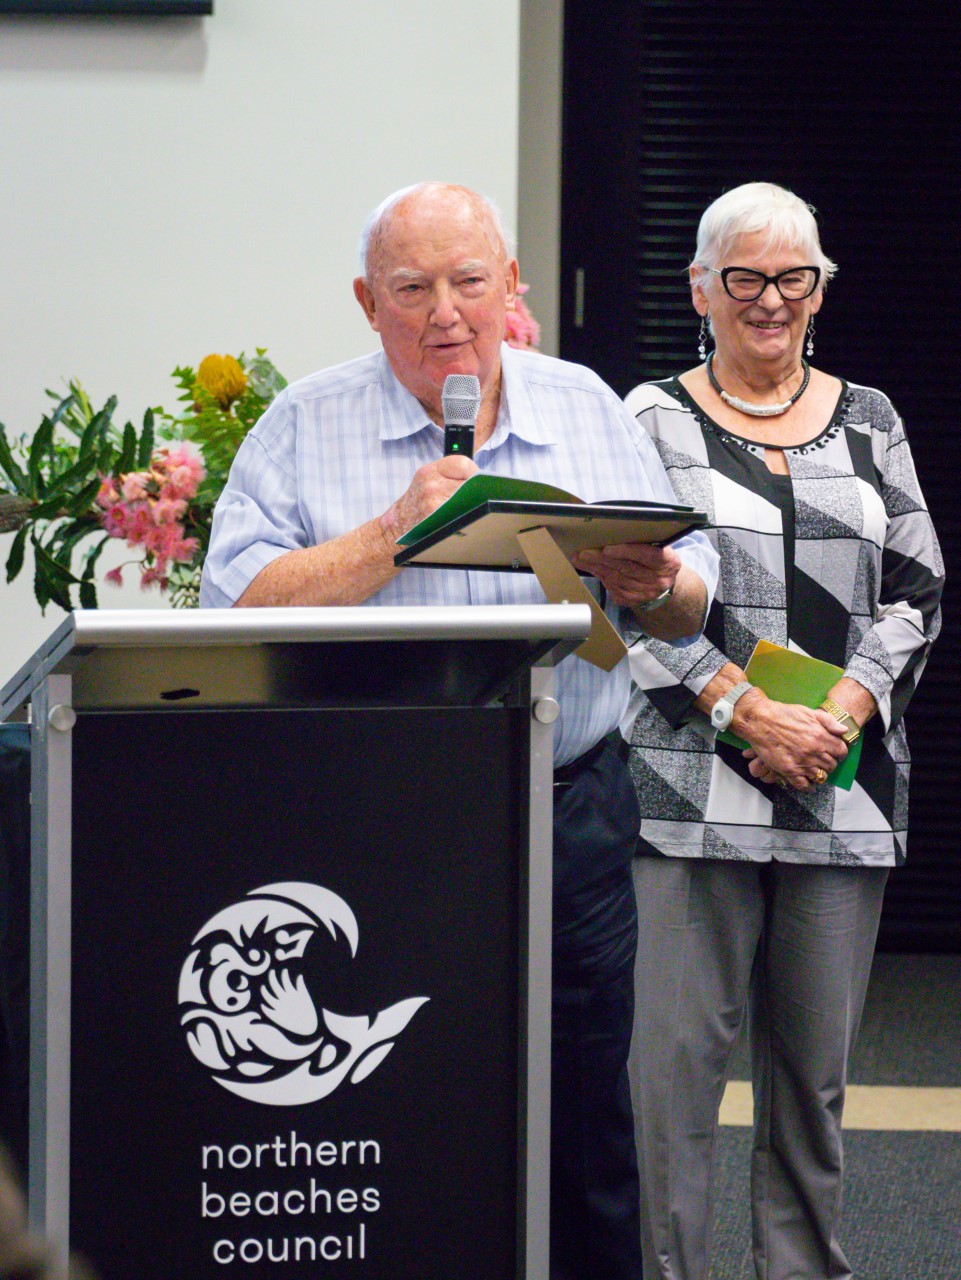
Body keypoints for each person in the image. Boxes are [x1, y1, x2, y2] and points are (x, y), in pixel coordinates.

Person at [201, 180, 719, 1279]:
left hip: (564, 801)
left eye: (469, 282)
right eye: (412, 287)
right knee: (393, 1092)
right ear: (366, 301)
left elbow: (687, 599)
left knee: (584, 1103)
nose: (446, 311)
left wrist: (656, 578)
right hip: (369, 813)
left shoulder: (584, 406)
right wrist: (392, 532)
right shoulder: (304, 421)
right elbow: (234, 607)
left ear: (510, 287)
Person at [621, 181, 944, 1280]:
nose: (770, 299)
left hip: (838, 787)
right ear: (701, 290)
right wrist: (741, 705)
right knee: (670, 1080)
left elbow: (918, 588)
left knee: (812, 1083)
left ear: (819, 291)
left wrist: (837, 711)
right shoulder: (648, 416)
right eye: (745, 277)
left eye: (792, 278)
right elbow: (615, 597)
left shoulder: (874, 417)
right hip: (686, 788)